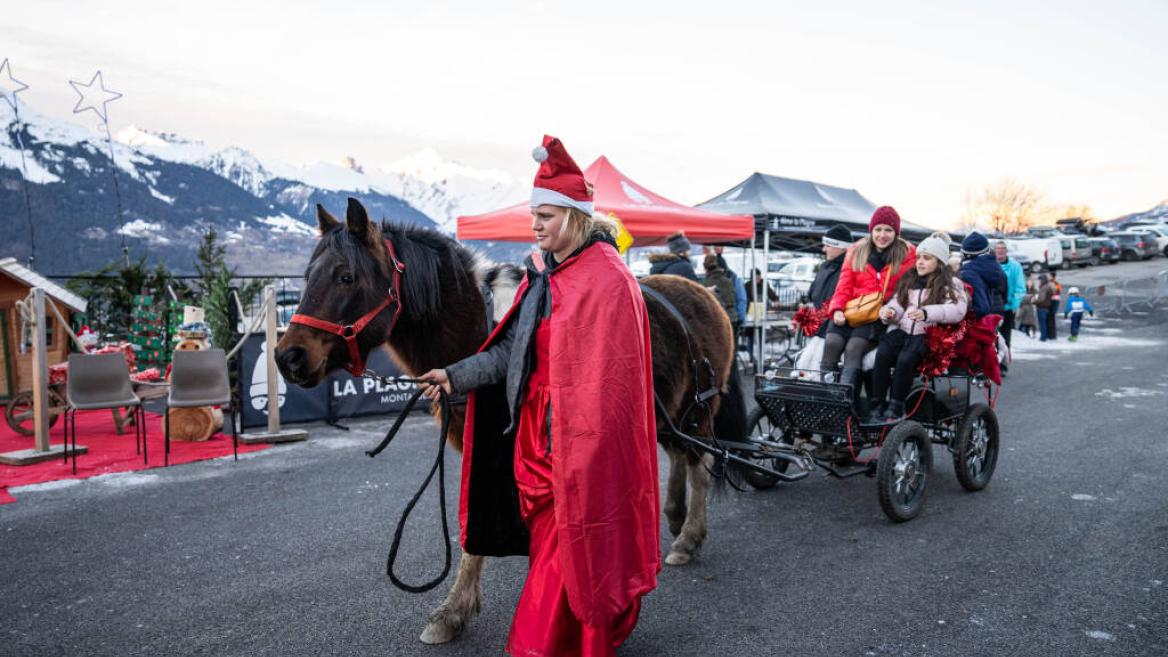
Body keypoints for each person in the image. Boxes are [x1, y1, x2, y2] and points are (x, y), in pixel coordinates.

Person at [417, 135, 659, 657]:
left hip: (584, 444)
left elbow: (613, 383)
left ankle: (543, 645)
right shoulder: (542, 277)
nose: (535, 226)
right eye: (534, 216)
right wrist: (453, 375)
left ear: (575, 216)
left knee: (565, 552)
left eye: (546, 216)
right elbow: (510, 351)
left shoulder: (609, 280)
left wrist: (586, 441)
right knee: (561, 550)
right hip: (536, 437)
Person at [870, 232, 968, 420]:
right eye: (918, 258)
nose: (920, 262)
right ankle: (877, 401)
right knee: (882, 353)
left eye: (927, 258)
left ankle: (896, 404)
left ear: (939, 261)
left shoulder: (951, 283)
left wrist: (927, 312)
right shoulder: (910, 280)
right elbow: (898, 303)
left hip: (928, 334)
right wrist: (889, 312)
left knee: (906, 359)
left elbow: (957, 310)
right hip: (904, 330)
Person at [824, 206, 917, 390]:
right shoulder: (856, 251)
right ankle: (827, 398)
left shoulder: (906, 255)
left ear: (896, 233)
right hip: (851, 310)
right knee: (831, 343)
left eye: (888, 230)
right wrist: (836, 310)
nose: (882, 235)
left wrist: (892, 308)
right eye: (878, 229)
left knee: (854, 348)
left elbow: (906, 291)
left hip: (877, 315)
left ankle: (848, 404)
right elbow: (844, 285)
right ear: (871, 230)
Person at [805, 223, 851, 338]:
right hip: (816, 330)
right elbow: (811, 296)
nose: (823, 249)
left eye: (827, 245)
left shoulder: (851, 269)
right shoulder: (824, 266)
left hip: (834, 332)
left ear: (842, 247)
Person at [959, 232, 1006, 319]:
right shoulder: (996, 268)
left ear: (965, 254)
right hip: (995, 314)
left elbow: (981, 307)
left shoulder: (968, 273)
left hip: (975, 324)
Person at [714, 246, 747, 353]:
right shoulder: (734, 278)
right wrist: (741, 318)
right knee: (731, 353)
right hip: (731, 320)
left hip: (715, 320)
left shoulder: (710, 278)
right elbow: (741, 299)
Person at [995, 240, 1026, 349]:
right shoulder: (991, 265)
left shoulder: (1015, 266)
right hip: (992, 308)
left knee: (1005, 337)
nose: (1000, 251)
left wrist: (1014, 305)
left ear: (1006, 251)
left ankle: (1003, 364)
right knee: (992, 338)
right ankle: (993, 363)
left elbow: (1020, 287)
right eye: (998, 249)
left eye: (1002, 249)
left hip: (1007, 308)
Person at [703, 254, 739, 325]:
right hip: (732, 318)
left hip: (717, 319)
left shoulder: (705, 284)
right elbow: (733, 300)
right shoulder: (728, 281)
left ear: (705, 268)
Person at [1034, 274, 1055, 341]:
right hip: (1046, 307)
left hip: (1041, 307)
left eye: (1040, 279)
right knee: (1045, 322)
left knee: (1042, 323)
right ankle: (1046, 336)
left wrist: (1034, 301)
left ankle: (1043, 337)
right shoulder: (1048, 287)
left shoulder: (1043, 288)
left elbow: (1041, 299)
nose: (1039, 281)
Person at [1048, 271, 1063, 340]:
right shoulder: (1056, 283)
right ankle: (1052, 334)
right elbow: (1059, 291)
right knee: (1051, 317)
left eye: (1049, 276)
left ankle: (1052, 334)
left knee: (1051, 316)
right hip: (1055, 300)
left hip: (1053, 300)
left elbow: (1058, 291)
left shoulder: (1053, 283)